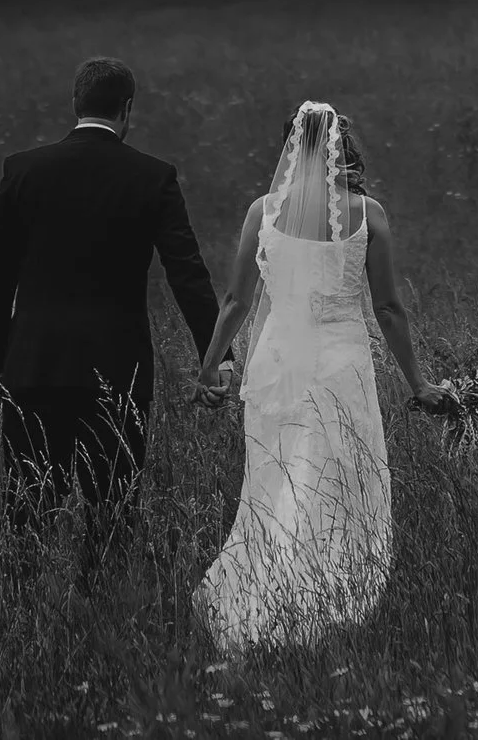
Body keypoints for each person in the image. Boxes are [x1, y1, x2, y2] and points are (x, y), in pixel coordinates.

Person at [190, 101, 454, 651]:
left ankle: (270, 590)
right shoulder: (369, 215)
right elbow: (388, 309)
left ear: (292, 148)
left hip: (277, 364)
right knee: (330, 480)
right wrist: (418, 385)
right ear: (342, 148)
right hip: (339, 366)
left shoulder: (262, 211)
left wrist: (210, 365)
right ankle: (310, 604)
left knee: (275, 479)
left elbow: (239, 298)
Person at [0, 57, 223, 570]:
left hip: (34, 366)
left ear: (75, 105)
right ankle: (101, 607)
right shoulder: (153, 177)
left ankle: (27, 618)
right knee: (112, 513)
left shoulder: (23, 169)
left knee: (27, 511)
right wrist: (216, 358)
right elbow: (188, 274)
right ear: (127, 108)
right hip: (118, 370)